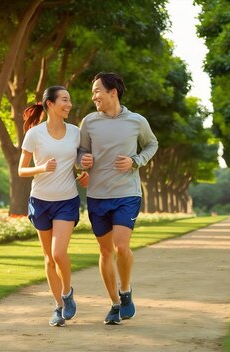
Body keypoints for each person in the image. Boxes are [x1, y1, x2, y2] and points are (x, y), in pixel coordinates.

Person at [77, 72, 158, 325]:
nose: (94, 96)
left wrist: (135, 161)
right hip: (98, 195)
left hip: (127, 194)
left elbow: (151, 144)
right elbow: (80, 152)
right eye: (93, 92)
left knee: (121, 246)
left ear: (113, 92)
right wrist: (82, 160)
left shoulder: (137, 121)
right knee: (105, 251)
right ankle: (114, 303)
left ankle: (126, 290)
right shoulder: (89, 122)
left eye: (97, 91)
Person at [18, 85, 89, 327]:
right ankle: (59, 307)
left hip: (67, 200)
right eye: (64, 100)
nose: (69, 105)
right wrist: (41, 168)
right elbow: (21, 169)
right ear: (50, 104)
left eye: (70, 100)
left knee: (59, 253)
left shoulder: (75, 132)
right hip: (40, 201)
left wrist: (84, 172)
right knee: (48, 258)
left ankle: (67, 294)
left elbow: (80, 161)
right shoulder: (34, 134)